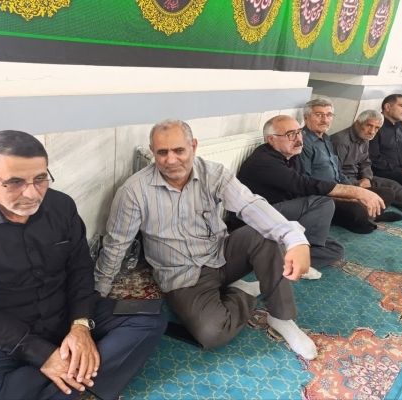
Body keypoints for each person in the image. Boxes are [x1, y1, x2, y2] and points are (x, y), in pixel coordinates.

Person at [0, 131, 167, 400]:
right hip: (0, 334)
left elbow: (80, 270)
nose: (32, 193)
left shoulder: (61, 207)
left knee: (150, 318)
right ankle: (77, 377)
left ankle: (58, 378)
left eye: (40, 179)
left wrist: (80, 326)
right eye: (15, 182)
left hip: (63, 313)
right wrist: (41, 354)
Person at [95, 119, 319, 360]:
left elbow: (250, 205)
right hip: (182, 275)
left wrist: (295, 239)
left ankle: (281, 317)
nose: (171, 160)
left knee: (265, 234)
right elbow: (117, 243)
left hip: (221, 254)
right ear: (153, 151)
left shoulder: (214, 174)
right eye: (162, 152)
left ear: (193, 146)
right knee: (212, 333)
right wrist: (98, 291)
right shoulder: (134, 191)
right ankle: (242, 292)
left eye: (179, 150)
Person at [235, 115, 348, 271]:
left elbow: (300, 190)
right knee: (322, 202)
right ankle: (293, 257)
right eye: (290, 134)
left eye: (299, 132)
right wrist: (352, 192)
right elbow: (302, 184)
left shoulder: (292, 156)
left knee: (336, 248)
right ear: (271, 139)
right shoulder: (264, 160)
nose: (298, 138)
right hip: (257, 219)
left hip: (279, 218)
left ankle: (279, 257)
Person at [299, 98, 397, 233]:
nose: (325, 119)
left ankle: (367, 216)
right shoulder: (303, 142)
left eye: (329, 115)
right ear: (306, 118)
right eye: (319, 115)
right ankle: (367, 217)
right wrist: (345, 196)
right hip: (323, 195)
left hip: (339, 187)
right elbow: (306, 182)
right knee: (360, 215)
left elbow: (338, 172)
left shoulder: (325, 139)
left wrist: (353, 191)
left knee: (387, 193)